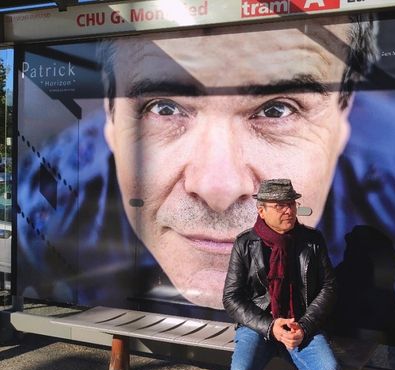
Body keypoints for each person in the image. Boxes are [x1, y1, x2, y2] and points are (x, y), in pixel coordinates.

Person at [96, 15, 378, 309]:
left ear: (343, 118)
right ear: (110, 115)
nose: (219, 190)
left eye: (276, 111)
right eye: (164, 108)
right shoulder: (56, 225)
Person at [222, 179, 340, 370]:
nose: (289, 211)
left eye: (292, 204)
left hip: (301, 324)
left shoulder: (312, 241)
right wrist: (270, 326)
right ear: (262, 211)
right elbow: (231, 297)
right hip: (259, 326)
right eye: (280, 206)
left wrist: (304, 326)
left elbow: (329, 287)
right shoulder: (245, 244)